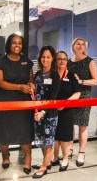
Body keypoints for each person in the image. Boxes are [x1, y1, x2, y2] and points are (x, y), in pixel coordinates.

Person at [0, 33, 35, 175]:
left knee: (24, 132)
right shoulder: (0, 62)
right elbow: (0, 82)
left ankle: (28, 159)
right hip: (4, 102)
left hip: (23, 103)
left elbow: (30, 77)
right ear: (9, 44)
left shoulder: (26, 61)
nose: (17, 45)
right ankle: (5, 157)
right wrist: (19, 87)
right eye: (14, 42)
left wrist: (31, 84)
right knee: (4, 131)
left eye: (20, 43)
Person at [67, 37, 97, 167]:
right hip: (70, 96)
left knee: (82, 125)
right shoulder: (68, 62)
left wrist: (81, 81)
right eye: (77, 44)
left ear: (85, 47)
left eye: (82, 44)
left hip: (85, 95)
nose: (80, 46)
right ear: (73, 46)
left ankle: (81, 152)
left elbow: (96, 81)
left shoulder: (89, 61)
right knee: (70, 124)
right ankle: (69, 148)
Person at [32, 45, 60, 179]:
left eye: (48, 57)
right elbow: (35, 92)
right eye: (43, 56)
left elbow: (53, 97)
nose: (45, 59)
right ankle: (46, 162)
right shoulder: (38, 73)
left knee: (48, 141)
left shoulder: (55, 75)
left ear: (52, 58)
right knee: (42, 140)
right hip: (38, 114)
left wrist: (43, 111)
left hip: (49, 114)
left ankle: (43, 168)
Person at [51, 51, 81, 171]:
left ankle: (65, 158)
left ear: (67, 60)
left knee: (64, 136)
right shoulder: (52, 75)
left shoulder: (72, 75)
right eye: (59, 59)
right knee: (54, 135)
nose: (62, 61)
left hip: (67, 109)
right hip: (53, 109)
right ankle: (54, 158)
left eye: (64, 59)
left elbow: (77, 93)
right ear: (56, 61)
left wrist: (65, 104)